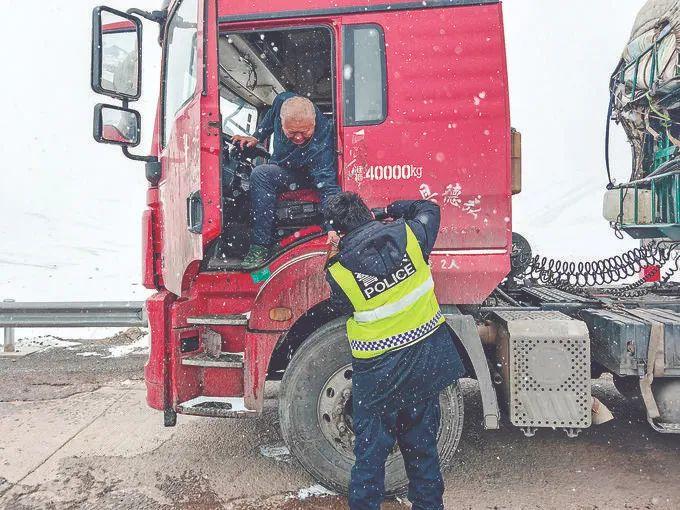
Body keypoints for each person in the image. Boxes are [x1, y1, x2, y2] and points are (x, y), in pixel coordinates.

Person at [323, 192, 466, 510]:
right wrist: (390, 210)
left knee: (369, 462)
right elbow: (429, 208)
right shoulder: (412, 235)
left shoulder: (339, 271)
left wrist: (332, 254)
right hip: (424, 366)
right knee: (422, 454)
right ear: (367, 215)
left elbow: (341, 306)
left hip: (378, 379)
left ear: (338, 233)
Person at [232, 92, 340, 269]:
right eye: (291, 132)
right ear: (282, 122)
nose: (298, 138)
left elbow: (327, 185)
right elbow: (269, 119)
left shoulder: (322, 140)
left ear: (313, 122)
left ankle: (260, 246)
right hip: (282, 166)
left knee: (261, 174)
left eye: (305, 132)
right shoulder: (282, 101)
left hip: (306, 174)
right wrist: (256, 136)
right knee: (263, 174)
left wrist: (333, 226)